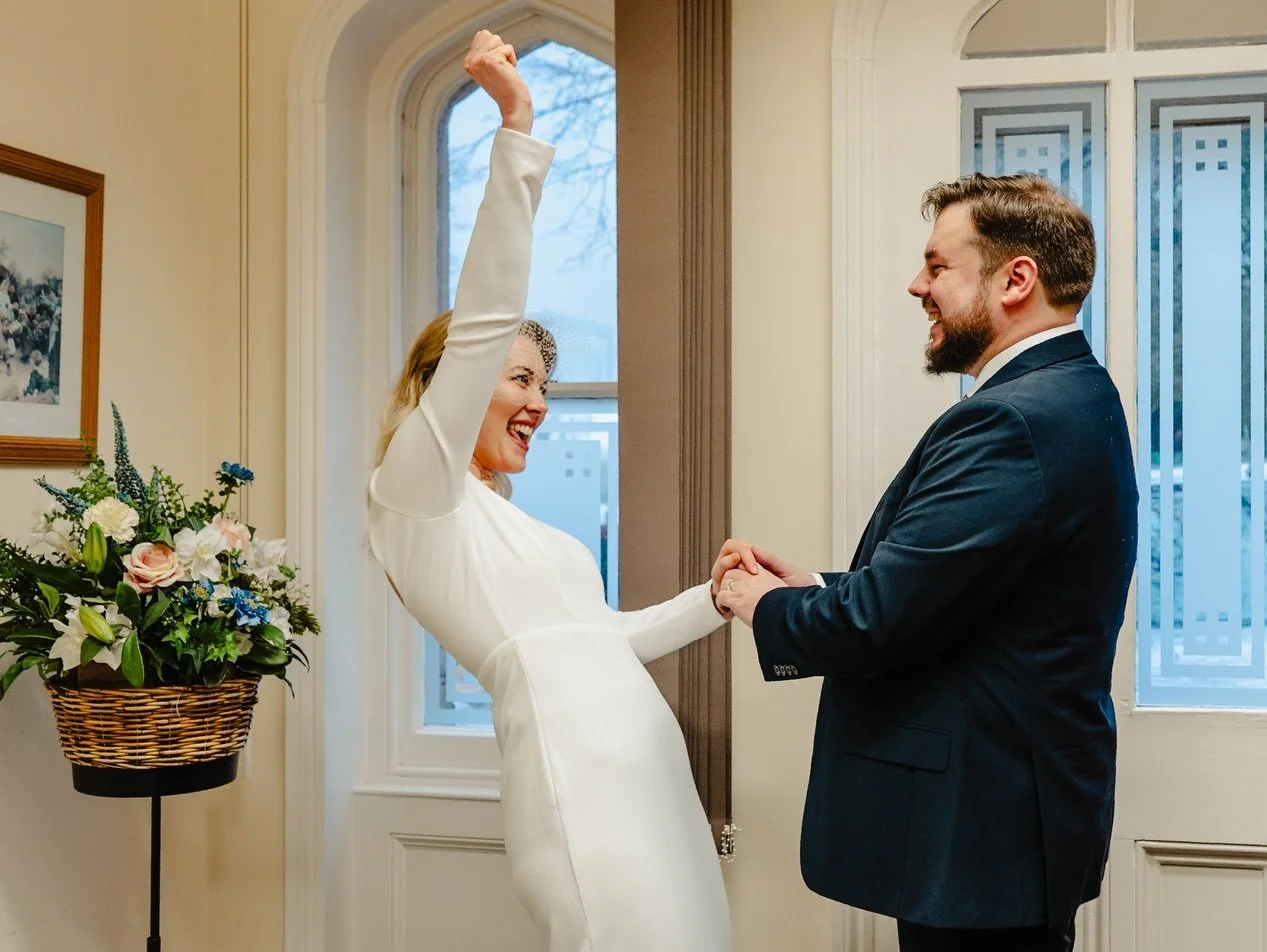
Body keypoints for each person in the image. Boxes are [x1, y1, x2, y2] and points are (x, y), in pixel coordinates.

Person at [366, 30, 746, 952]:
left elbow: (601, 642)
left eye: (546, 384)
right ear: (445, 384)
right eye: (518, 378)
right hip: (584, 797)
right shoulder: (413, 490)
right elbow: (488, 306)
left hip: (651, 783)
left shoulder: (502, 522)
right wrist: (517, 126)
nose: (539, 403)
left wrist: (717, 597)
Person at [716, 174, 1138, 952]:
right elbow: (964, 597)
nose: (917, 285)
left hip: (982, 831)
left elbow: (878, 624)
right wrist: (810, 586)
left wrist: (751, 599)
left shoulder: (1012, 420)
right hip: (1007, 819)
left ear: (1017, 280)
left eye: (938, 266)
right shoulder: (1076, 393)